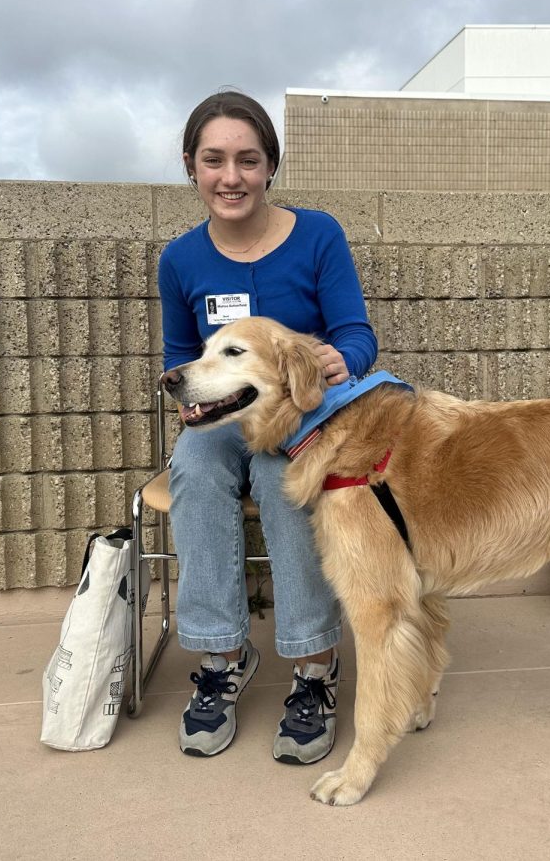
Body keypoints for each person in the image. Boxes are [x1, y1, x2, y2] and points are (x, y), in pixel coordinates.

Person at [157, 90, 378, 763]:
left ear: (270, 167)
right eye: (215, 160)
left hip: (305, 413)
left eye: (248, 160)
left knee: (287, 480)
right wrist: (194, 404)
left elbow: (357, 336)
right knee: (194, 470)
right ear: (192, 167)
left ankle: (315, 668)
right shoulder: (181, 260)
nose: (232, 177)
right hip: (225, 417)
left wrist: (343, 357)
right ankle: (222, 656)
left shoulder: (318, 235)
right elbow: (177, 357)